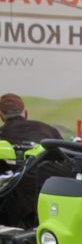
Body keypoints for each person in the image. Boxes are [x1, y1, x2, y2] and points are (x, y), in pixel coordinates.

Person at [0, 93, 64, 225]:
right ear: (26, 113)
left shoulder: (2, 135)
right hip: (58, 195)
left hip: (21, 206)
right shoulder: (48, 130)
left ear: (1, 116)